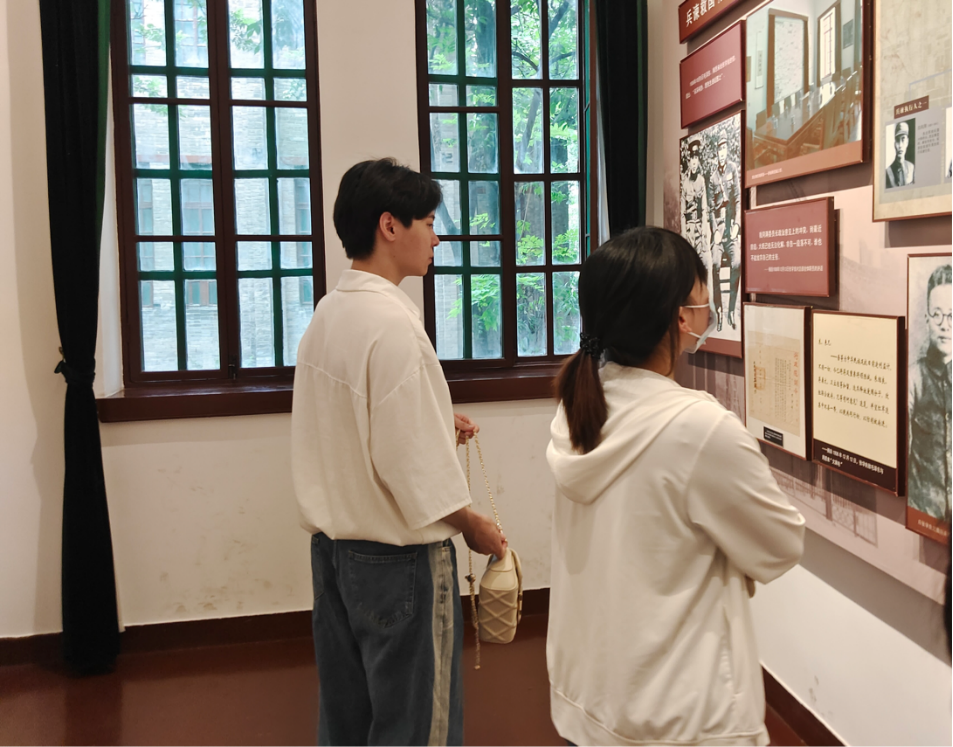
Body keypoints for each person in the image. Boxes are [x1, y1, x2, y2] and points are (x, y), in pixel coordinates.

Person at [546, 227, 806, 747]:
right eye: (701, 296)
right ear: (681, 317)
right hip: (680, 716)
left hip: (589, 700)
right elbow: (781, 544)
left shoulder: (580, 407)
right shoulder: (697, 428)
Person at [291, 158, 506, 747]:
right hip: (399, 562)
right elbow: (411, 467)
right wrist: (472, 525)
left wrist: (434, 419)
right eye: (428, 223)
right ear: (390, 225)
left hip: (333, 554)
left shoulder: (329, 313)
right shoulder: (394, 326)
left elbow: (351, 422)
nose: (436, 238)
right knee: (415, 728)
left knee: (348, 719)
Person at [907, 263, 952, 520]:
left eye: (952, 315)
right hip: (923, 508)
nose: (945, 325)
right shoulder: (914, 378)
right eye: (937, 314)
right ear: (927, 320)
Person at [707, 135, 742, 332]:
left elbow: (737, 198)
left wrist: (737, 224)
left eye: (724, 149)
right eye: (719, 149)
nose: (722, 153)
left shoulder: (732, 169)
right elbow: (711, 208)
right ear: (716, 152)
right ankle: (719, 310)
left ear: (727, 151)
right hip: (719, 229)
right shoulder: (713, 177)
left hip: (731, 228)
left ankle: (731, 311)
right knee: (714, 263)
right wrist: (715, 231)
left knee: (737, 262)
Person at [681, 139, 711, 305]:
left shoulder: (701, 181)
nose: (694, 162)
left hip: (699, 230)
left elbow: (704, 208)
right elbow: (682, 212)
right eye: (692, 159)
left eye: (696, 159)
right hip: (689, 231)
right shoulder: (685, 184)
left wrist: (704, 232)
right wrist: (684, 234)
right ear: (689, 161)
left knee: (704, 265)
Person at [885, 120, 916, 188]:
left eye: (903, 140)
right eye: (897, 140)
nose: (900, 145)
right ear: (894, 144)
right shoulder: (888, 172)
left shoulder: (911, 167)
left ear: (907, 142)